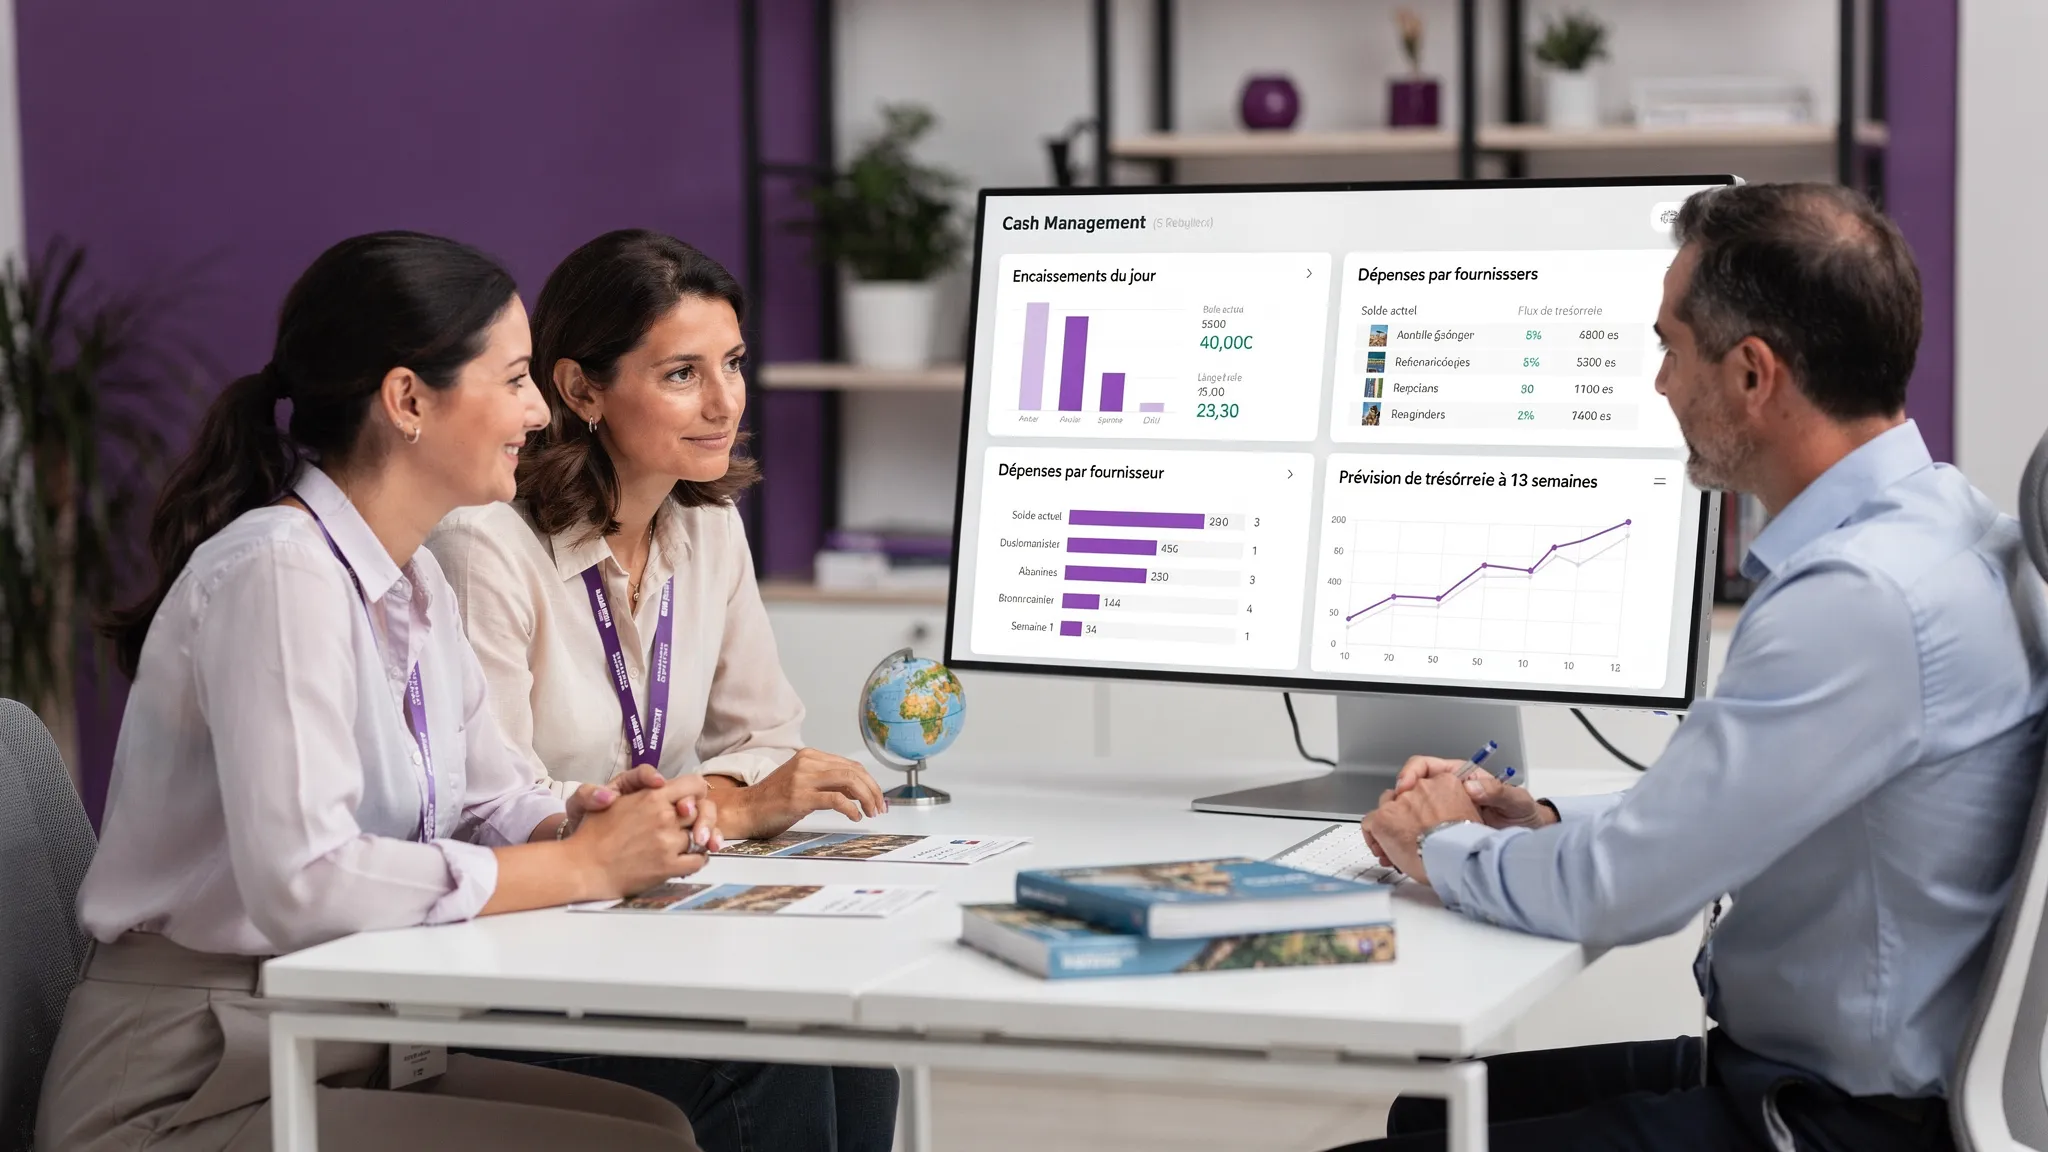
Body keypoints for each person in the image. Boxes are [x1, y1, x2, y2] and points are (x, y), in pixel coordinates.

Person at [1344, 183, 2048, 1151]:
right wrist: (1535, 818)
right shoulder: (1951, 528)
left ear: (1752, 374)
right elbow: (1724, 813)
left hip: (1836, 1124)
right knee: (1428, 1109)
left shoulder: (1859, 602)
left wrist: (1441, 847)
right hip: (1823, 1076)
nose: (1661, 384)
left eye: (1669, 348)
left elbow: (1622, 892)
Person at [40, 232, 722, 1152]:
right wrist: (582, 869)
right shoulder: (277, 573)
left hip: (330, 1037)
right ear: (408, 399)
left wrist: (586, 819)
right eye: (515, 380)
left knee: (655, 1126)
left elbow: (487, 797)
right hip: (184, 1082)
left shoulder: (414, 582)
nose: (537, 414)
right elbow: (304, 878)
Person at [425, 229, 899, 1152]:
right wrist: (738, 808)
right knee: (776, 1071)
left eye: (733, 363)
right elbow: (487, 805)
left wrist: (713, 804)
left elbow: (768, 737)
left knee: (858, 1049)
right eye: (682, 373)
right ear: (580, 390)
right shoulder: (485, 546)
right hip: (515, 958)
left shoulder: (707, 528)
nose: (725, 402)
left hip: (643, 928)